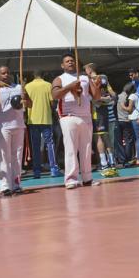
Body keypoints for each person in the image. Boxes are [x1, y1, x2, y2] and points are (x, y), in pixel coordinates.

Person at [51, 53, 101, 189]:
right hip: (68, 116)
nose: (70, 63)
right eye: (67, 61)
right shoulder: (60, 79)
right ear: (62, 65)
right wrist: (69, 87)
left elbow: (96, 96)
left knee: (86, 149)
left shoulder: (84, 77)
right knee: (71, 148)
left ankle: (87, 178)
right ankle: (71, 179)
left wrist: (97, 85)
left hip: (85, 116)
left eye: (72, 60)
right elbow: (55, 95)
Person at [0, 66, 31, 196]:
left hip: (18, 125)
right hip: (3, 126)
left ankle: (16, 183)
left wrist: (25, 98)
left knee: (17, 157)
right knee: (4, 156)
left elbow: (30, 104)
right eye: (3, 73)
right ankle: (5, 186)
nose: (6, 75)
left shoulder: (18, 88)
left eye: (7, 72)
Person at [25, 70, 61, 178]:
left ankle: (36, 171)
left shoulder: (27, 86)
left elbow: (26, 103)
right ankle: (53, 169)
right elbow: (52, 103)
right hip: (46, 118)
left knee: (35, 146)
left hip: (33, 119)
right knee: (50, 144)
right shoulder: (48, 85)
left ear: (33, 76)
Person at [85, 63, 117, 172]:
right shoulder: (104, 78)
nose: (85, 73)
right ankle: (112, 162)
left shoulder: (90, 81)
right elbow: (113, 94)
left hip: (96, 112)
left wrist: (101, 99)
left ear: (89, 70)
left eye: (86, 70)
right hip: (104, 111)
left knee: (98, 137)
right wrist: (108, 99)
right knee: (106, 136)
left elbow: (93, 99)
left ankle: (104, 163)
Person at [115, 83, 135, 165]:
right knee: (128, 141)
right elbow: (130, 110)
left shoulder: (119, 96)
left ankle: (122, 159)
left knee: (119, 141)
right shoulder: (129, 97)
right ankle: (128, 158)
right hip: (127, 120)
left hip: (119, 120)